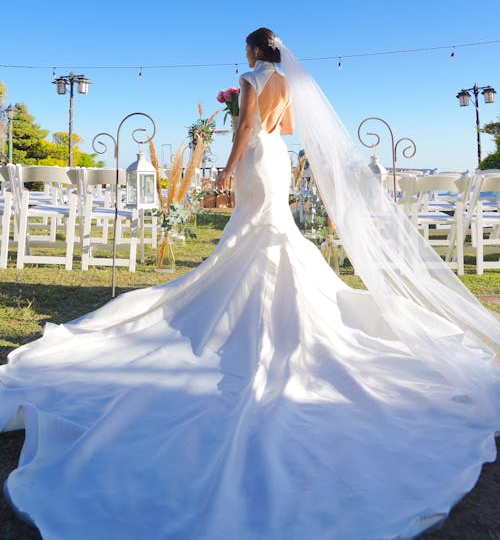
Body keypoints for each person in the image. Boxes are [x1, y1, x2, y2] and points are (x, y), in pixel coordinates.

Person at [0, 28, 499, 540]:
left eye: (246, 48)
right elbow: (284, 127)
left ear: (255, 50)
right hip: (278, 158)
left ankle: (244, 309)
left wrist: (227, 168)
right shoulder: (288, 81)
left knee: (253, 231)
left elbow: (246, 127)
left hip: (257, 157)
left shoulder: (250, 76)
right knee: (268, 230)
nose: (243, 55)